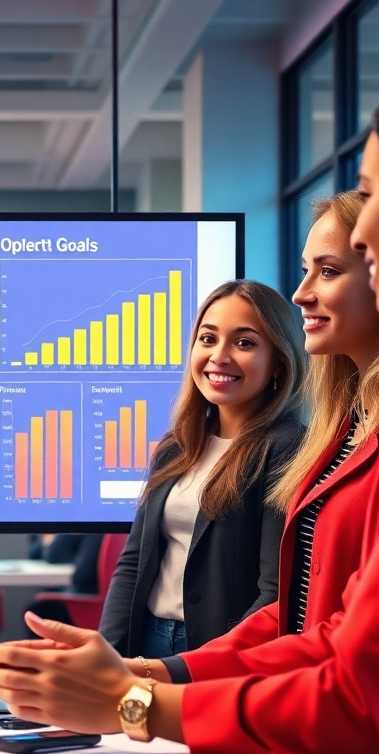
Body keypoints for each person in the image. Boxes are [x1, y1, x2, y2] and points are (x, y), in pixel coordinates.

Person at [0, 56, 379, 754]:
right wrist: (144, 677)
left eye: (374, 197)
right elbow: (330, 628)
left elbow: (361, 695)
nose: (364, 234)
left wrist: (134, 705)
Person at [133, 192, 379, 684]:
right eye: (305, 269)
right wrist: (146, 672)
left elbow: (351, 638)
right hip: (299, 697)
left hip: (345, 715)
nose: (300, 293)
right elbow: (297, 614)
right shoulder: (340, 435)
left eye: (329, 271)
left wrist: (160, 697)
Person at [98, 279, 306, 660]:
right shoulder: (176, 446)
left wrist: (207, 665)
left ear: (278, 360)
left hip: (217, 651)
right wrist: (107, 658)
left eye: (244, 343)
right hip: (147, 641)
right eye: (208, 339)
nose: (219, 356)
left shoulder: (288, 447)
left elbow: (274, 591)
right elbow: (133, 563)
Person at [25, 533, 103, 626]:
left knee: (36, 613)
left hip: (89, 606)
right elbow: (36, 554)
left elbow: (80, 576)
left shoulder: (93, 531)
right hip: (99, 603)